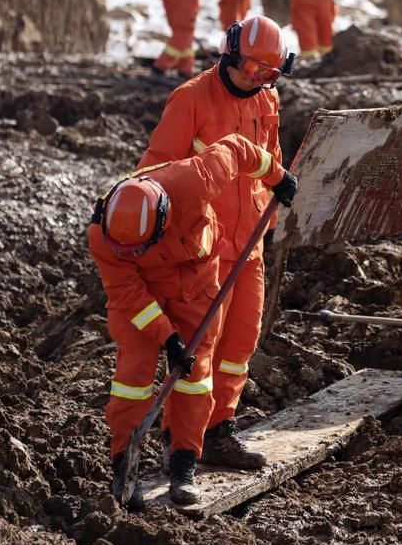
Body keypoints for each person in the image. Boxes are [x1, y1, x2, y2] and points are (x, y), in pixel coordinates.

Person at [89, 132, 295, 508]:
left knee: (194, 375)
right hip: (143, 296)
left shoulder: (196, 178)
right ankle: (125, 465)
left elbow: (239, 147)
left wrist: (277, 177)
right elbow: (128, 294)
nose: (133, 251)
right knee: (133, 378)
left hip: (196, 285)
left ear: (163, 219)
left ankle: (183, 462)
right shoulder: (103, 236)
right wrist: (168, 339)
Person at [137, 15, 294, 470]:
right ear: (229, 52)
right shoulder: (190, 99)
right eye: (251, 67)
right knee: (199, 351)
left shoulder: (268, 99)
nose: (257, 78)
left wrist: (276, 200)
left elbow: (272, 160)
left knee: (239, 345)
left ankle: (220, 430)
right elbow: (158, 173)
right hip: (203, 251)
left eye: (269, 72)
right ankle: (180, 444)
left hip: (251, 247)